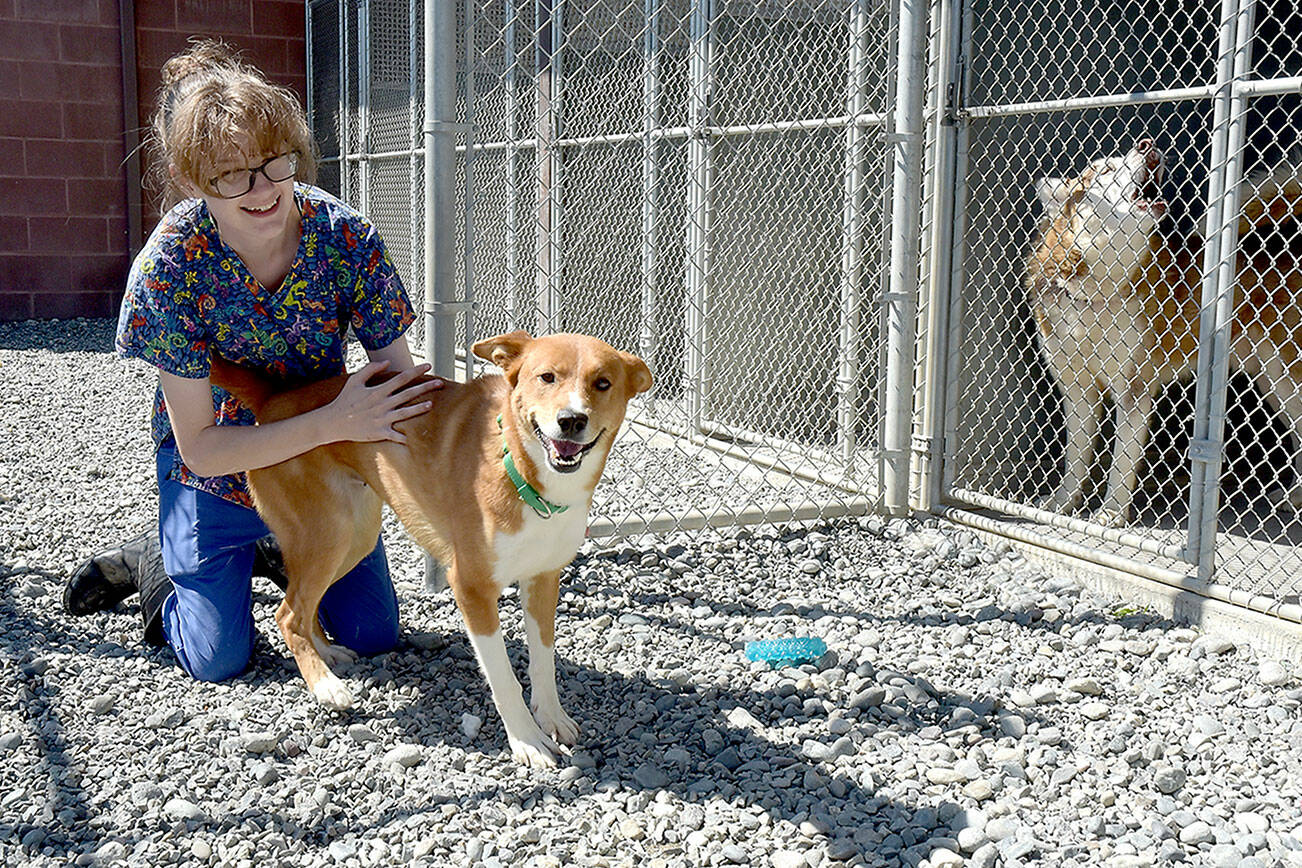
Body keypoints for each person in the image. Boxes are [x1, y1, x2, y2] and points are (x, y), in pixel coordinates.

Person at [63, 39, 441, 682]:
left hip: (322, 462)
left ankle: (280, 545)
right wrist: (335, 422)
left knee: (374, 637)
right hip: (221, 466)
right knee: (218, 660)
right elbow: (203, 450)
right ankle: (161, 560)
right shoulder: (169, 267)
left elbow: (398, 387)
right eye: (231, 175)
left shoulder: (346, 237)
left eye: (275, 163)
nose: (261, 189)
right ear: (192, 180)